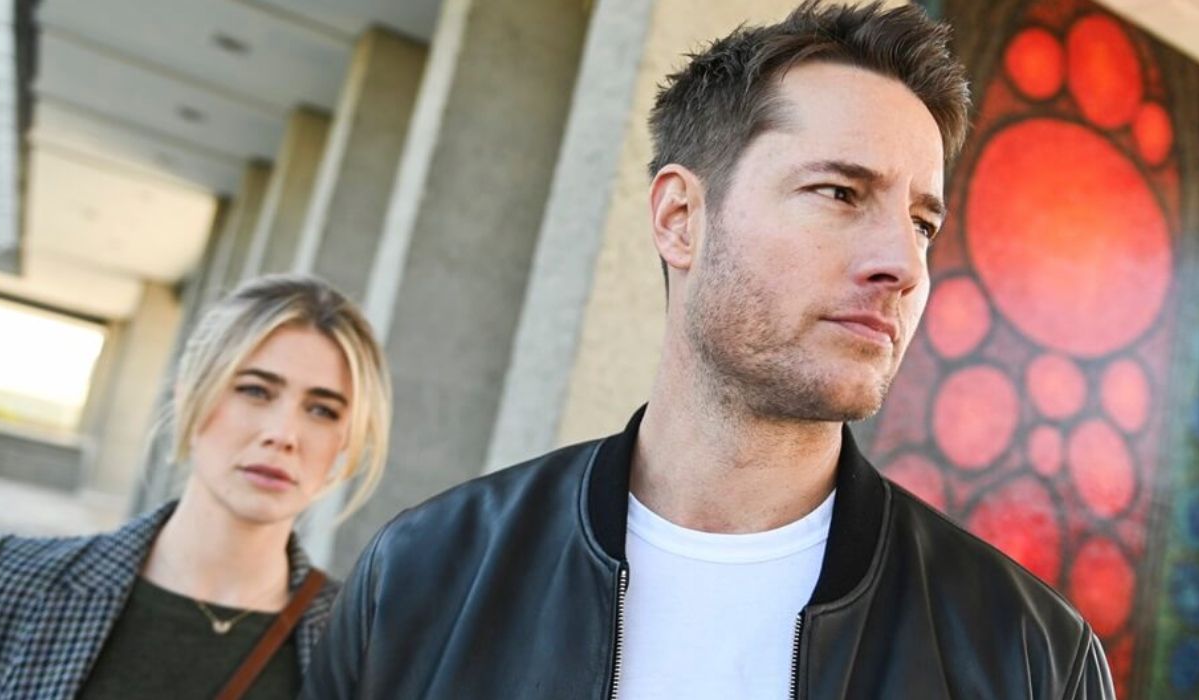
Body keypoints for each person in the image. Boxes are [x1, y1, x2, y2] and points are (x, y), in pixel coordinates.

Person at [302, 2, 1114, 698]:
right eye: (839, 192)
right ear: (680, 219)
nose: (903, 265)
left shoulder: (1028, 654)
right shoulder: (424, 576)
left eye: (923, 223)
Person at [0, 275, 390, 699]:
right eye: (255, 390)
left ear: (345, 443)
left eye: (322, 410)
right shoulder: (14, 581)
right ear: (191, 399)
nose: (283, 434)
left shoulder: (364, 649)